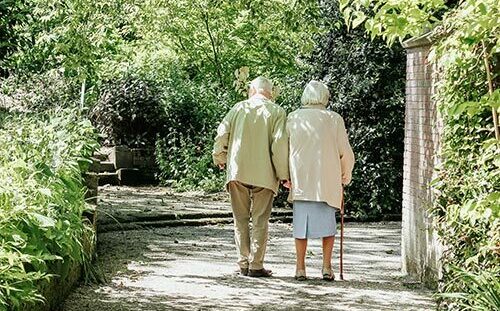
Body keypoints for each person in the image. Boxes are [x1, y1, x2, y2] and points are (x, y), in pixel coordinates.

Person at [212, 76, 289, 277]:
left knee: (240, 219)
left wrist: (220, 157)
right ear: (270, 93)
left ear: (252, 90)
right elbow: (279, 146)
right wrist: (283, 174)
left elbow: (222, 134)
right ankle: (256, 265)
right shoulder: (277, 112)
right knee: (260, 220)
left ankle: (243, 263)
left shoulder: (238, 108)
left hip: (238, 171)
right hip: (265, 174)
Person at [285, 80, 355, 281]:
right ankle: (326, 267)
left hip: (302, 180)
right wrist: (345, 174)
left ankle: (300, 268)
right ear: (325, 97)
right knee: (328, 226)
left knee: (300, 226)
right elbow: (345, 152)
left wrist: (285, 176)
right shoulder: (334, 119)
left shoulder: (293, 118)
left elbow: (284, 149)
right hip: (327, 180)